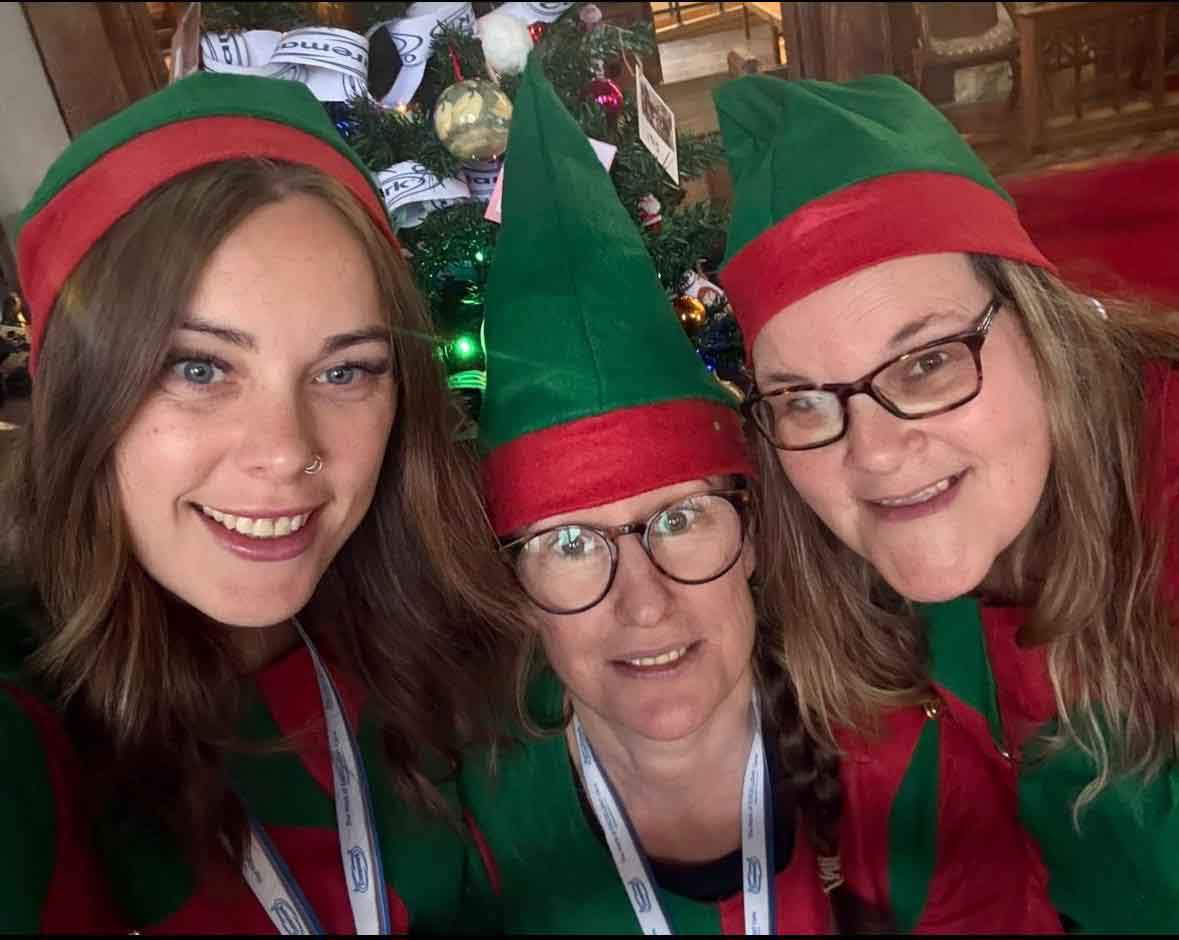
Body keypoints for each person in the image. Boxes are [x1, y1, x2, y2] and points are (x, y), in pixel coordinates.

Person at [455, 56, 1060, 934]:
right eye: (569, 543)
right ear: (513, 586)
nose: (644, 603)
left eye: (681, 519)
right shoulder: (454, 812)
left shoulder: (910, 757)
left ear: (755, 534)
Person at [0, 71, 521, 933]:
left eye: (344, 370)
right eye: (198, 368)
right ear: (79, 395)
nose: (286, 451)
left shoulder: (446, 631)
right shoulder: (26, 732)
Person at [714, 72, 1179, 932]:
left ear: (1045, 330)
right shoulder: (853, 598)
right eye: (804, 400)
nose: (875, 453)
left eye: (925, 362)